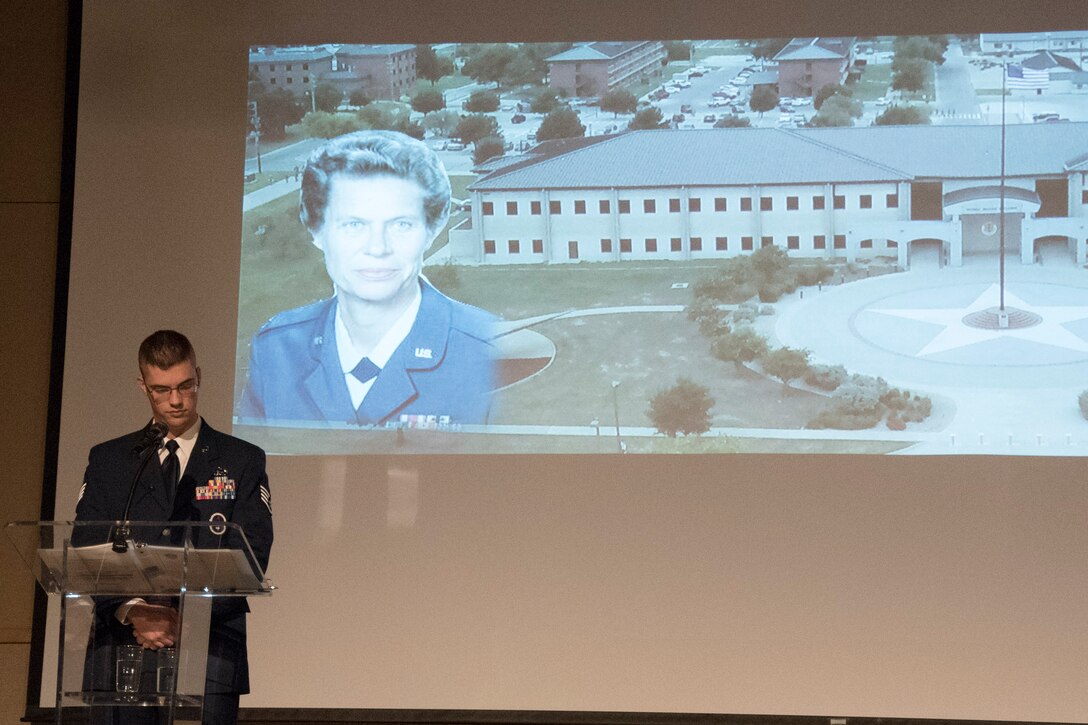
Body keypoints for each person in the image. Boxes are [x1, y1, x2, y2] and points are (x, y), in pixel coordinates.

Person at [75, 330, 273, 725]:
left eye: (185, 386)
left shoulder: (241, 459)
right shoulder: (111, 460)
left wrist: (184, 617)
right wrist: (134, 611)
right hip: (121, 650)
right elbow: (85, 547)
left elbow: (253, 554)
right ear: (142, 386)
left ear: (198, 375)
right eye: (161, 390)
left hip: (210, 652)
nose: (177, 400)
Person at [237, 130, 497, 427]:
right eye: (354, 224)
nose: (377, 248)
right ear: (316, 229)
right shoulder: (277, 349)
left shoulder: (489, 350)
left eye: (401, 224)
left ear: (431, 229)